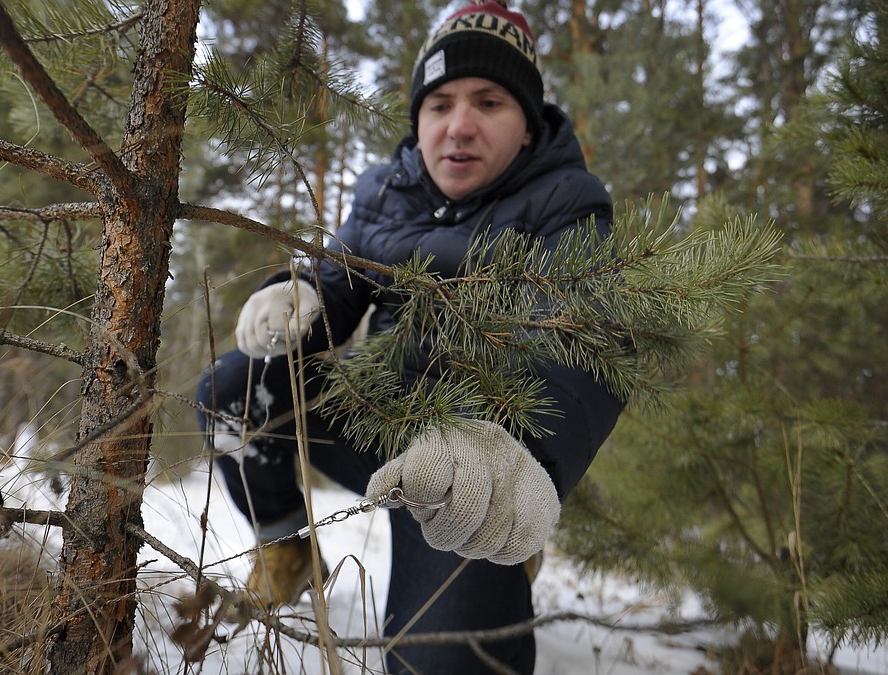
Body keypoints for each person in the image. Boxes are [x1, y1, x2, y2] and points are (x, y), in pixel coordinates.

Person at [195, 1, 624, 672]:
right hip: (378, 411)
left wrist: (529, 452)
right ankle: (285, 547)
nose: (459, 125)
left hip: (472, 451)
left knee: (440, 660)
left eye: (488, 101)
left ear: (529, 126)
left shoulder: (569, 201)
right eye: (439, 103)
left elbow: (590, 336)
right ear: (418, 118)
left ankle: (507, 544)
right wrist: (299, 290)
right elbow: (337, 286)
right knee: (233, 391)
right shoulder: (384, 192)